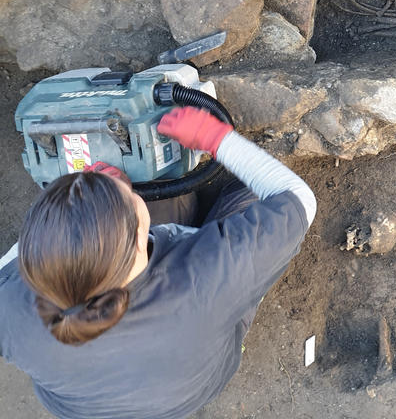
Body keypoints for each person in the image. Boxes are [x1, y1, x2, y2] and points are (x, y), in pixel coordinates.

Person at [0, 106, 317, 419]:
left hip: (91, 409)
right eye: (128, 197)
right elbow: (298, 199)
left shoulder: (12, 307)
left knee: (168, 192)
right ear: (141, 236)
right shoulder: (208, 281)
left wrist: (93, 209)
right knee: (253, 190)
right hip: (195, 386)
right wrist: (216, 139)